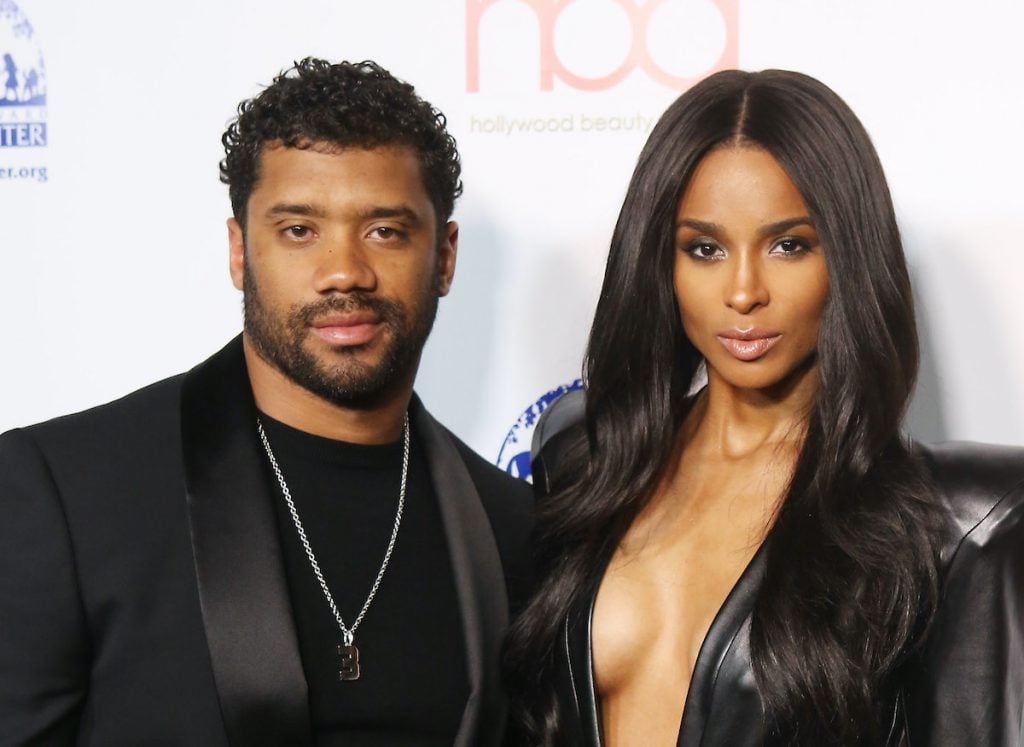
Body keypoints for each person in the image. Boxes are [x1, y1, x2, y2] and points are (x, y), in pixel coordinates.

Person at [0, 58, 532, 746]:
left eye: (385, 230)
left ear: (446, 256)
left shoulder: (516, 528)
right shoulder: (68, 492)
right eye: (299, 230)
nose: (344, 272)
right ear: (239, 252)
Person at [504, 69, 1024, 745]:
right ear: (662, 263)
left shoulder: (964, 527)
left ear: (846, 258)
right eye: (705, 249)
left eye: (788, 245)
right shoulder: (582, 459)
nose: (744, 291)